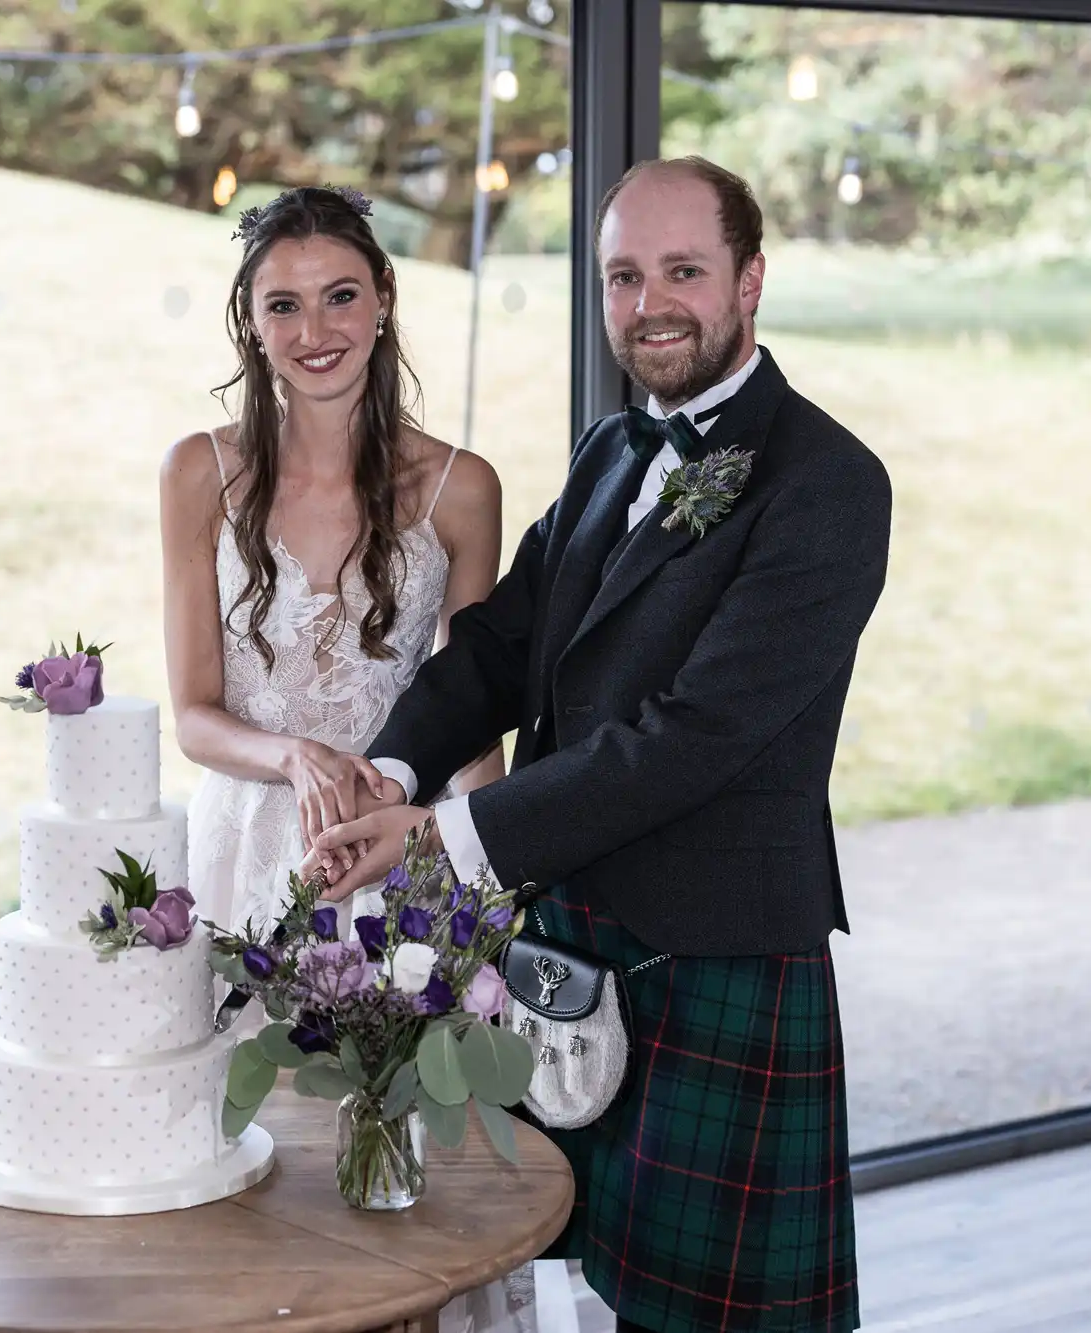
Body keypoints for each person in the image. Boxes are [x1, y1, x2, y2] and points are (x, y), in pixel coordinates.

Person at [306, 157, 890, 1333]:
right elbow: (501, 643)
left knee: (703, 1316)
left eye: (682, 270)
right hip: (570, 941)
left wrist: (449, 832)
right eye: (624, 275)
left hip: (711, 947)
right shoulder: (607, 452)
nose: (649, 302)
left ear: (751, 279)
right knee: (575, 1268)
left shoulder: (826, 482)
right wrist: (395, 766)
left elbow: (694, 738)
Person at [160, 183, 532, 1333]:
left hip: (396, 867)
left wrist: (486, 888)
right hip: (242, 863)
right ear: (249, 322)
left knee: (394, 1185)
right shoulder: (197, 472)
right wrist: (293, 755)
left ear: (382, 303)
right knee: (241, 1166)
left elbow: (472, 708)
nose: (313, 329)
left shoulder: (458, 485)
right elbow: (192, 712)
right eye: (283, 305)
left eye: (337, 297)